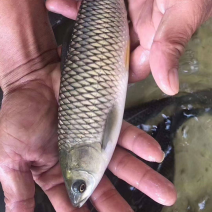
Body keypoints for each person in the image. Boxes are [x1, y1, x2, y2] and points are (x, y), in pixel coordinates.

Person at [0, 0, 210, 211]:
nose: (83, 191)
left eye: (81, 186)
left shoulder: (96, 142)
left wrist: (24, 73)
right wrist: (22, 68)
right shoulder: (73, 141)